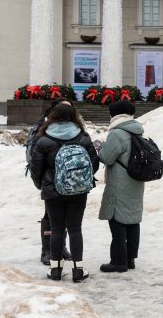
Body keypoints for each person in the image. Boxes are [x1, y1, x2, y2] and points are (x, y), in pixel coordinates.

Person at [30, 103, 99, 282]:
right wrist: (81, 180)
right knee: (75, 229)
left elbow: (36, 168)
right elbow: (94, 164)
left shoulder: (44, 139)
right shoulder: (83, 137)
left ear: (52, 116)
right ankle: (78, 270)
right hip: (78, 191)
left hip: (53, 191)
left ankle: (55, 270)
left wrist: (43, 185)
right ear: (74, 116)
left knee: (57, 229)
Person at [98, 100, 146, 273]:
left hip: (120, 182)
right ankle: (130, 259)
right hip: (136, 181)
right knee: (132, 220)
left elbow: (106, 158)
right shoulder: (137, 131)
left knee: (117, 221)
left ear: (115, 115)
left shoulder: (117, 133)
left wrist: (100, 148)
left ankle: (118, 262)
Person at [29, 97, 74, 265]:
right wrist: (42, 183)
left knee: (66, 218)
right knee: (49, 217)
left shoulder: (75, 128)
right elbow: (36, 159)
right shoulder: (44, 128)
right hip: (51, 182)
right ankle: (47, 250)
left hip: (70, 182)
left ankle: (61, 247)